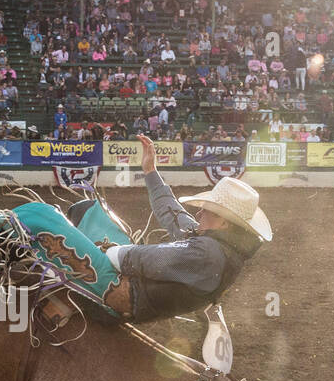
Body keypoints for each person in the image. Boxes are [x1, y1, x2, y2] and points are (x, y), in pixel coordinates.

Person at [96, 134, 270, 321]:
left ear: (224, 223)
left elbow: (148, 259)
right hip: (143, 302)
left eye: (206, 211)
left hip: (129, 296)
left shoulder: (207, 252)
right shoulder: (221, 248)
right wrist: (150, 171)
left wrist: (110, 251)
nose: (198, 214)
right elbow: (174, 214)